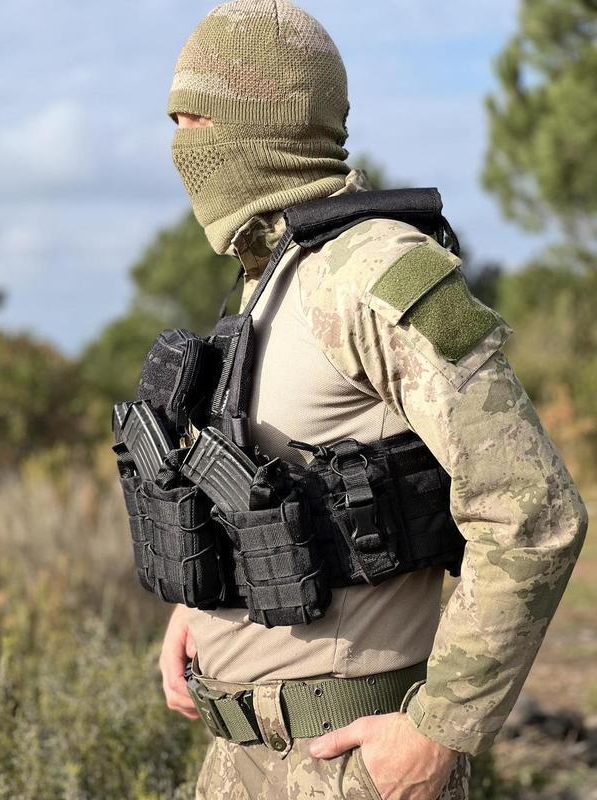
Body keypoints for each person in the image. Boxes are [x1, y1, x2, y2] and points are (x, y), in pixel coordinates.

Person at [158, 1, 588, 798]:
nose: (180, 140)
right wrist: (206, 607)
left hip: (349, 765)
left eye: (197, 117)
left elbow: (531, 510)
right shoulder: (268, 277)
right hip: (238, 757)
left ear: (268, 118)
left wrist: (439, 730)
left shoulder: (375, 274)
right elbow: (277, 493)